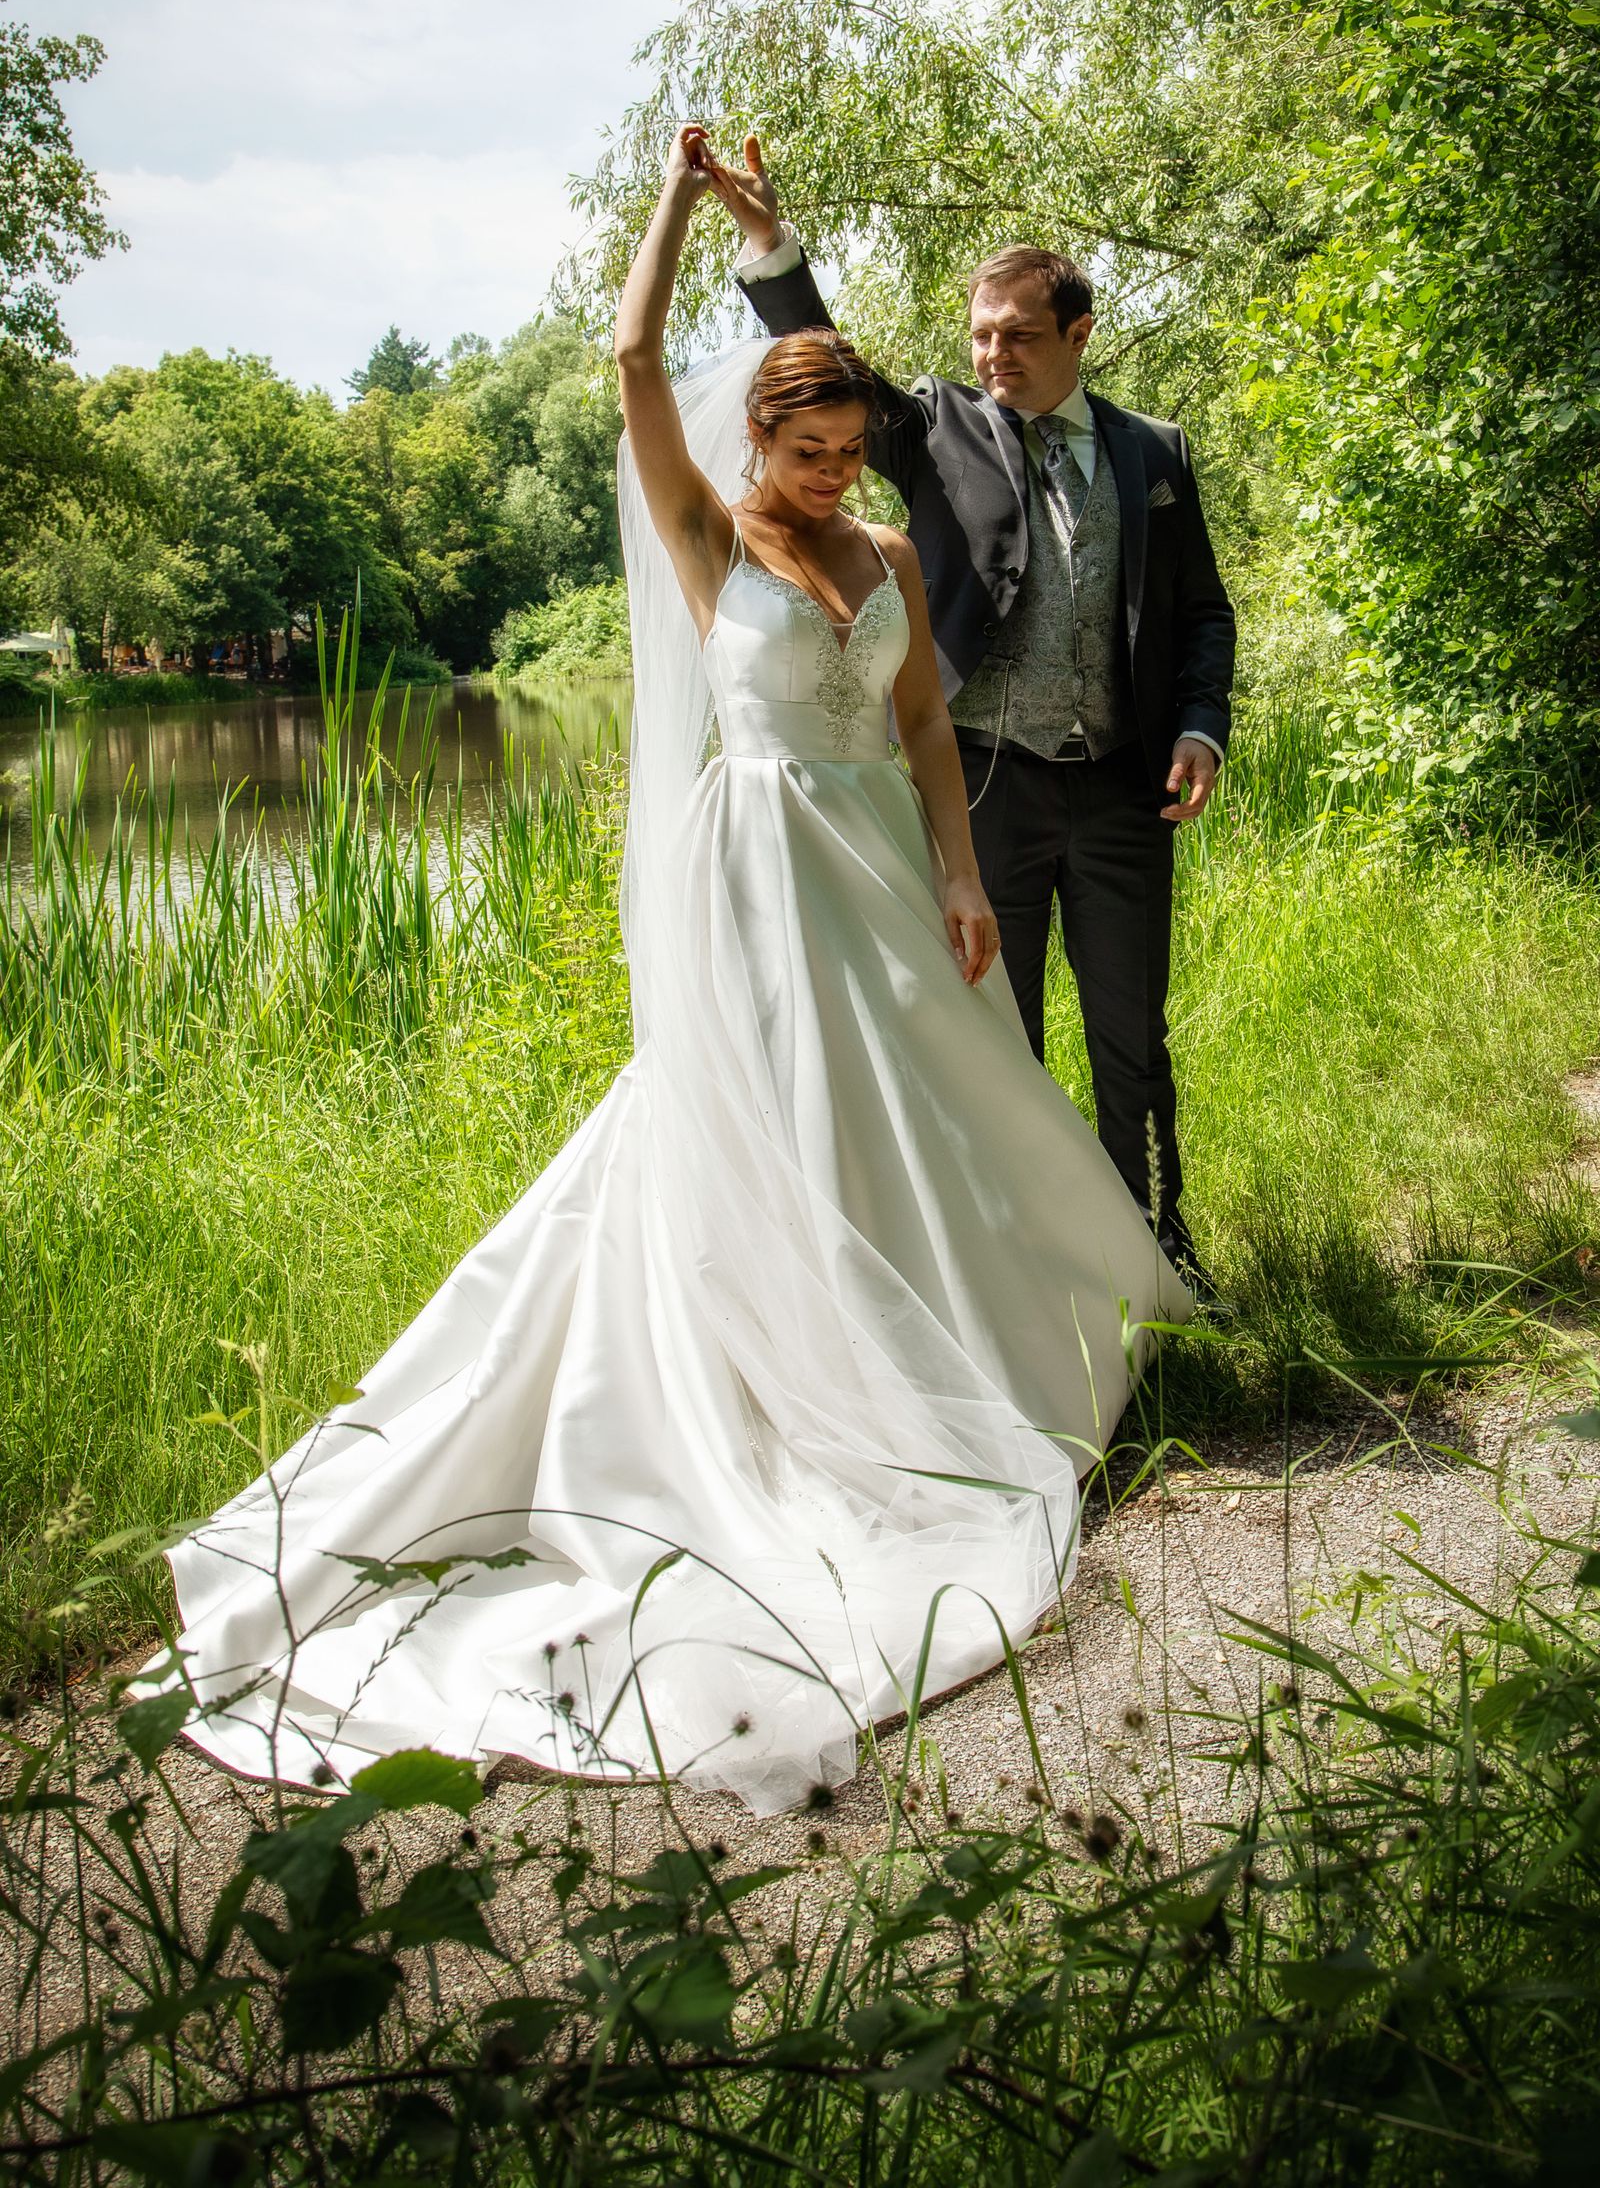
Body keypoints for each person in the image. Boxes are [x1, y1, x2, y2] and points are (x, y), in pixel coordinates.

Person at [136, 129, 1188, 1818]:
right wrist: (687, 207)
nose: (841, 473)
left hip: (885, 877)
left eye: (856, 449)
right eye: (816, 448)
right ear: (757, 439)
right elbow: (631, 358)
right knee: (760, 1127)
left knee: (929, 1120)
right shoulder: (711, 534)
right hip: (762, 871)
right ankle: (770, 1398)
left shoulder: (894, 561)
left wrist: (964, 874)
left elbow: (924, 726)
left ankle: (981, 1354)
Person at [717, 140, 1236, 1295]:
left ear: (1077, 336)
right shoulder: (938, 429)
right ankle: (1034, 1274)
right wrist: (768, 246)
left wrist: (1201, 727)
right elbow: (825, 362)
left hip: (1118, 788)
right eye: (980, 332)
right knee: (999, 1045)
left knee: (1131, 1040)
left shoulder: (1155, 454)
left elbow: (1202, 612)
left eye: (1017, 332)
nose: (991, 351)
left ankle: (1158, 1251)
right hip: (987, 785)